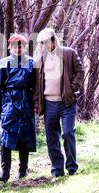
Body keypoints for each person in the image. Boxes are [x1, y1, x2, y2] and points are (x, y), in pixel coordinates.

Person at [34, 28, 82, 177]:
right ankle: (57, 170)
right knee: (52, 138)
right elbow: (37, 83)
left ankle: (72, 168)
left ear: (54, 40)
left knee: (68, 133)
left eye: (46, 42)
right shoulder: (40, 59)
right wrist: (36, 102)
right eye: (42, 43)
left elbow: (80, 71)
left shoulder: (69, 53)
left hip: (67, 102)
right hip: (49, 104)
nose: (44, 45)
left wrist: (72, 87)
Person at [0, 34, 37, 182]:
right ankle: (5, 172)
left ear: (25, 47)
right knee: (5, 138)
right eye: (15, 46)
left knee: (25, 137)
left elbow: (38, 86)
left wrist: (37, 103)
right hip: (8, 104)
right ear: (10, 47)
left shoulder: (32, 63)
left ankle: (23, 171)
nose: (18, 48)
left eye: (21, 45)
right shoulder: (2, 64)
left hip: (26, 103)